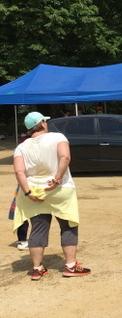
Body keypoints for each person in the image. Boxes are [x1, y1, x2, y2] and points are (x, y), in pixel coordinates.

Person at [13, 112, 91, 281]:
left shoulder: (21, 147)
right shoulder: (57, 137)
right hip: (60, 189)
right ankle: (70, 265)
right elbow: (65, 156)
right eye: (44, 121)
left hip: (34, 190)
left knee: (38, 227)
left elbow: (19, 171)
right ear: (41, 123)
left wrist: (27, 192)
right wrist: (57, 178)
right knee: (68, 225)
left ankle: (37, 268)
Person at [8, 186, 29, 250]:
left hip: (25, 189)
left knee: (23, 218)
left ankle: (22, 241)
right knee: (22, 218)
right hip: (25, 191)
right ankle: (22, 242)